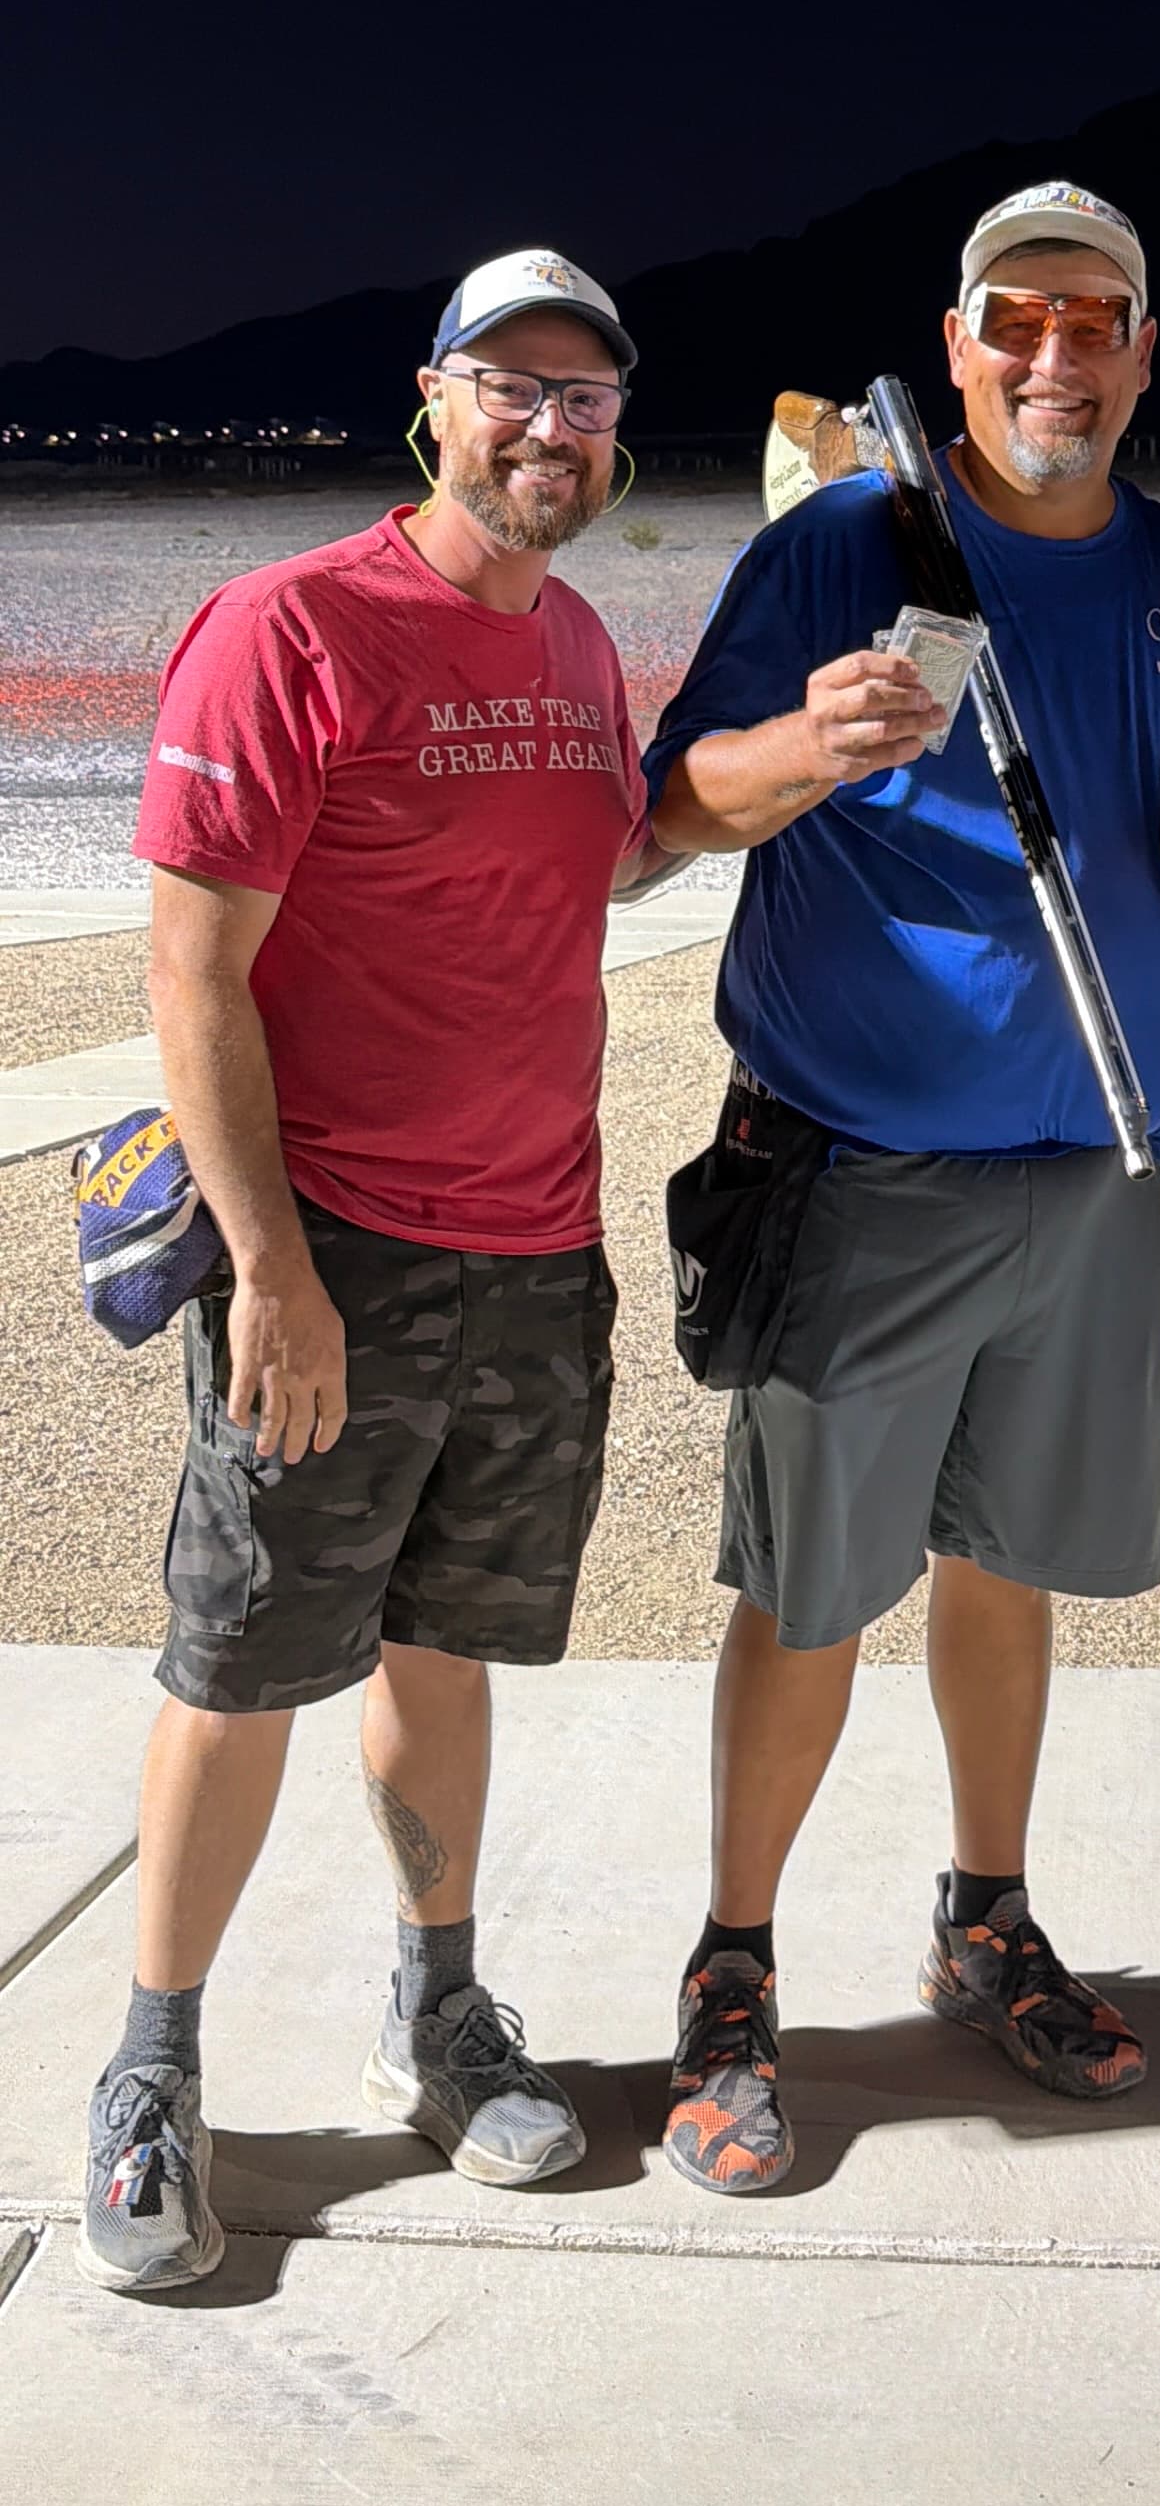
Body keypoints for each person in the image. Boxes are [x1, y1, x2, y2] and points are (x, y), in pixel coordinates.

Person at [81, 249, 676, 2292]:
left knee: (446, 1643)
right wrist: (270, 1264)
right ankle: (153, 2064)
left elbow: (586, 863)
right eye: (513, 385)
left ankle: (439, 2005)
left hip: (536, 1251)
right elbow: (191, 971)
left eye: (588, 398)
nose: (550, 425)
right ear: (433, 398)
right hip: (330, 1248)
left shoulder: (587, 640)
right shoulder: (292, 627)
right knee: (241, 1657)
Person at [643, 178, 1160, 2191]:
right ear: (961, 340)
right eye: (1017, 319)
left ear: (1146, 353)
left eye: (1097, 320)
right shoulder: (846, 538)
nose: (1056, 354)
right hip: (866, 1172)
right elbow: (660, 811)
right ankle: (733, 1967)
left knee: (1011, 1564)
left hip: (1099, 1172)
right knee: (809, 1585)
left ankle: (984, 1909)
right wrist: (796, 750)